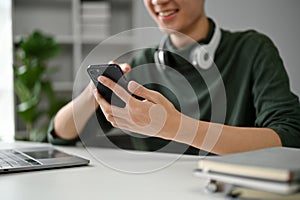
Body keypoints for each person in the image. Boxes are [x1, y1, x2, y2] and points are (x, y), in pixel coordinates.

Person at [48, 0, 300, 155]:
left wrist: (176, 127)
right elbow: (60, 133)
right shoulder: (138, 66)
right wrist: (95, 92)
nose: (159, 1)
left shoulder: (252, 50)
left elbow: (290, 138)